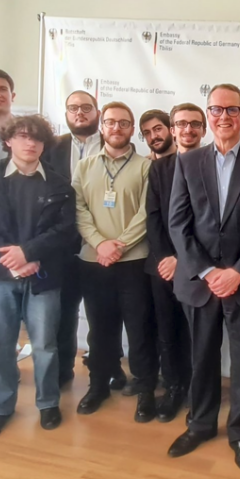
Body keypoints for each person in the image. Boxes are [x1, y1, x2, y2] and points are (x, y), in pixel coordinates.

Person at [166, 84, 240, 473]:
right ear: (208, 115)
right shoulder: (187, 162)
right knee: (201, 358)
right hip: (200, 282)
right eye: (216, 109)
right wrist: (207, 271)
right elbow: (178, 223)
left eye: (232, 109)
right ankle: (200, 425)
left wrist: (237, 272)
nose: (224, 117)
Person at [0, 114, 77, 439]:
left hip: (43, 274)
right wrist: (14, 261)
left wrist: (28, 254)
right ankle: (0, 406)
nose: (31, 143)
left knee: (45, 344)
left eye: (37, 138)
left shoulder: (59, 184)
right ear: (8, 141)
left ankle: (48, 402)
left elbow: (65, 231)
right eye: (24, 136)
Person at [73, 101, 158, 421]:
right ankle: (98, 385)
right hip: (93, 262)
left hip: (134, 262)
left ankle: (145, 389)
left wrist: (118, 246)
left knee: (139, 330)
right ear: (102, 126)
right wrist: (100, 244)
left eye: (124, 123)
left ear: (132, 128)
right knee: (99, 330)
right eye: (110, 122)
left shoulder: (146, 166)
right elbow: (78, 210)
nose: (116, 128)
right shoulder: (84, 166)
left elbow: (147, 213)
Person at [145, 102, 206, 422]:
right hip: (162, 265)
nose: (188, 129)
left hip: (198, 267)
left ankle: (199, 395)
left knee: (198, 336)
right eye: (181, 124)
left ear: (204, 130)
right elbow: (154, 217)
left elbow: (210, 223)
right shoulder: (159, 169)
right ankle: (173, 388)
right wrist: (167, 258)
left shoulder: (215, 165)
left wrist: (183, 260)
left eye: (195, 124)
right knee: (167, 332)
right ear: (173, 130)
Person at [44, 90, 106, 389]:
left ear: (97, 112)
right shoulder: (51, 147)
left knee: (103, 313)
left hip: (101, 243)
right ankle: (62, 369)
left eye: (85, 107)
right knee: (64, 311)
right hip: (61, 245)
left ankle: (105, 368)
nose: (79, 113)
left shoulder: (114, 143)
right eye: (72, 108)